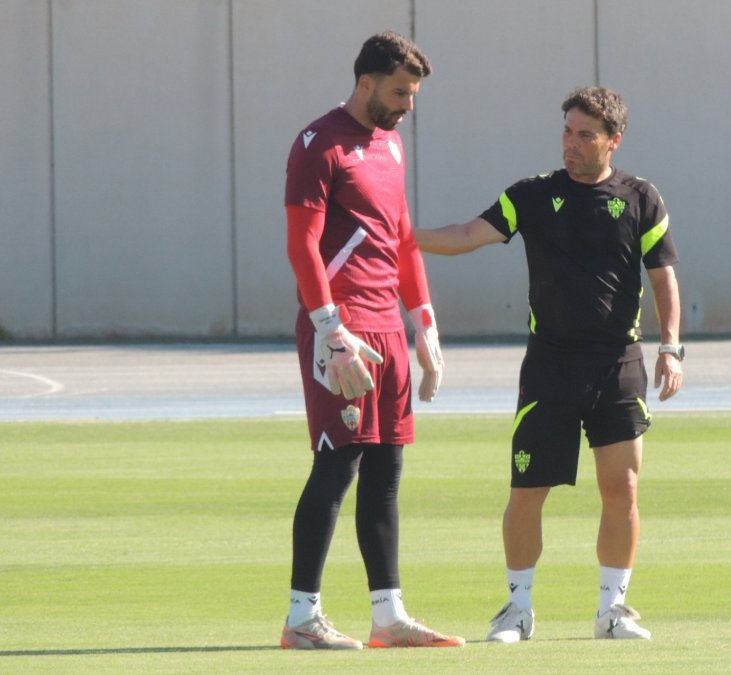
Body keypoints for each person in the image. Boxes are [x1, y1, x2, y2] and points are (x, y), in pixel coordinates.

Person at [414, 86, 684, 642]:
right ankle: (518, 610)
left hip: (617, 365)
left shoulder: (641, 197)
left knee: (622, 488)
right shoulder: (532, 195)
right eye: (567, 131)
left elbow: (663, 278)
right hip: (550, 366)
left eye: (586, 135)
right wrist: (401, 238)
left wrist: (671, 347)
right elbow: (466, 235)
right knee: (527, 492)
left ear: (614, 140)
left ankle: (613, 611)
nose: (571, 143)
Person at [280, 31, 463, 650]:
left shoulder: (391, 144)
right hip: (343, 329)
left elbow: (402, 236)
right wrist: (330, 329)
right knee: (338, 464)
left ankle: (389, 617)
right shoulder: (319, 144)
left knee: (386, 470)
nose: (408, 105)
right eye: (400, 93)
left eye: (413, 95)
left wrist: (425, 324)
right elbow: (302, 244)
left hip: (388, 325)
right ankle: (301, 618)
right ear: (366, 83)